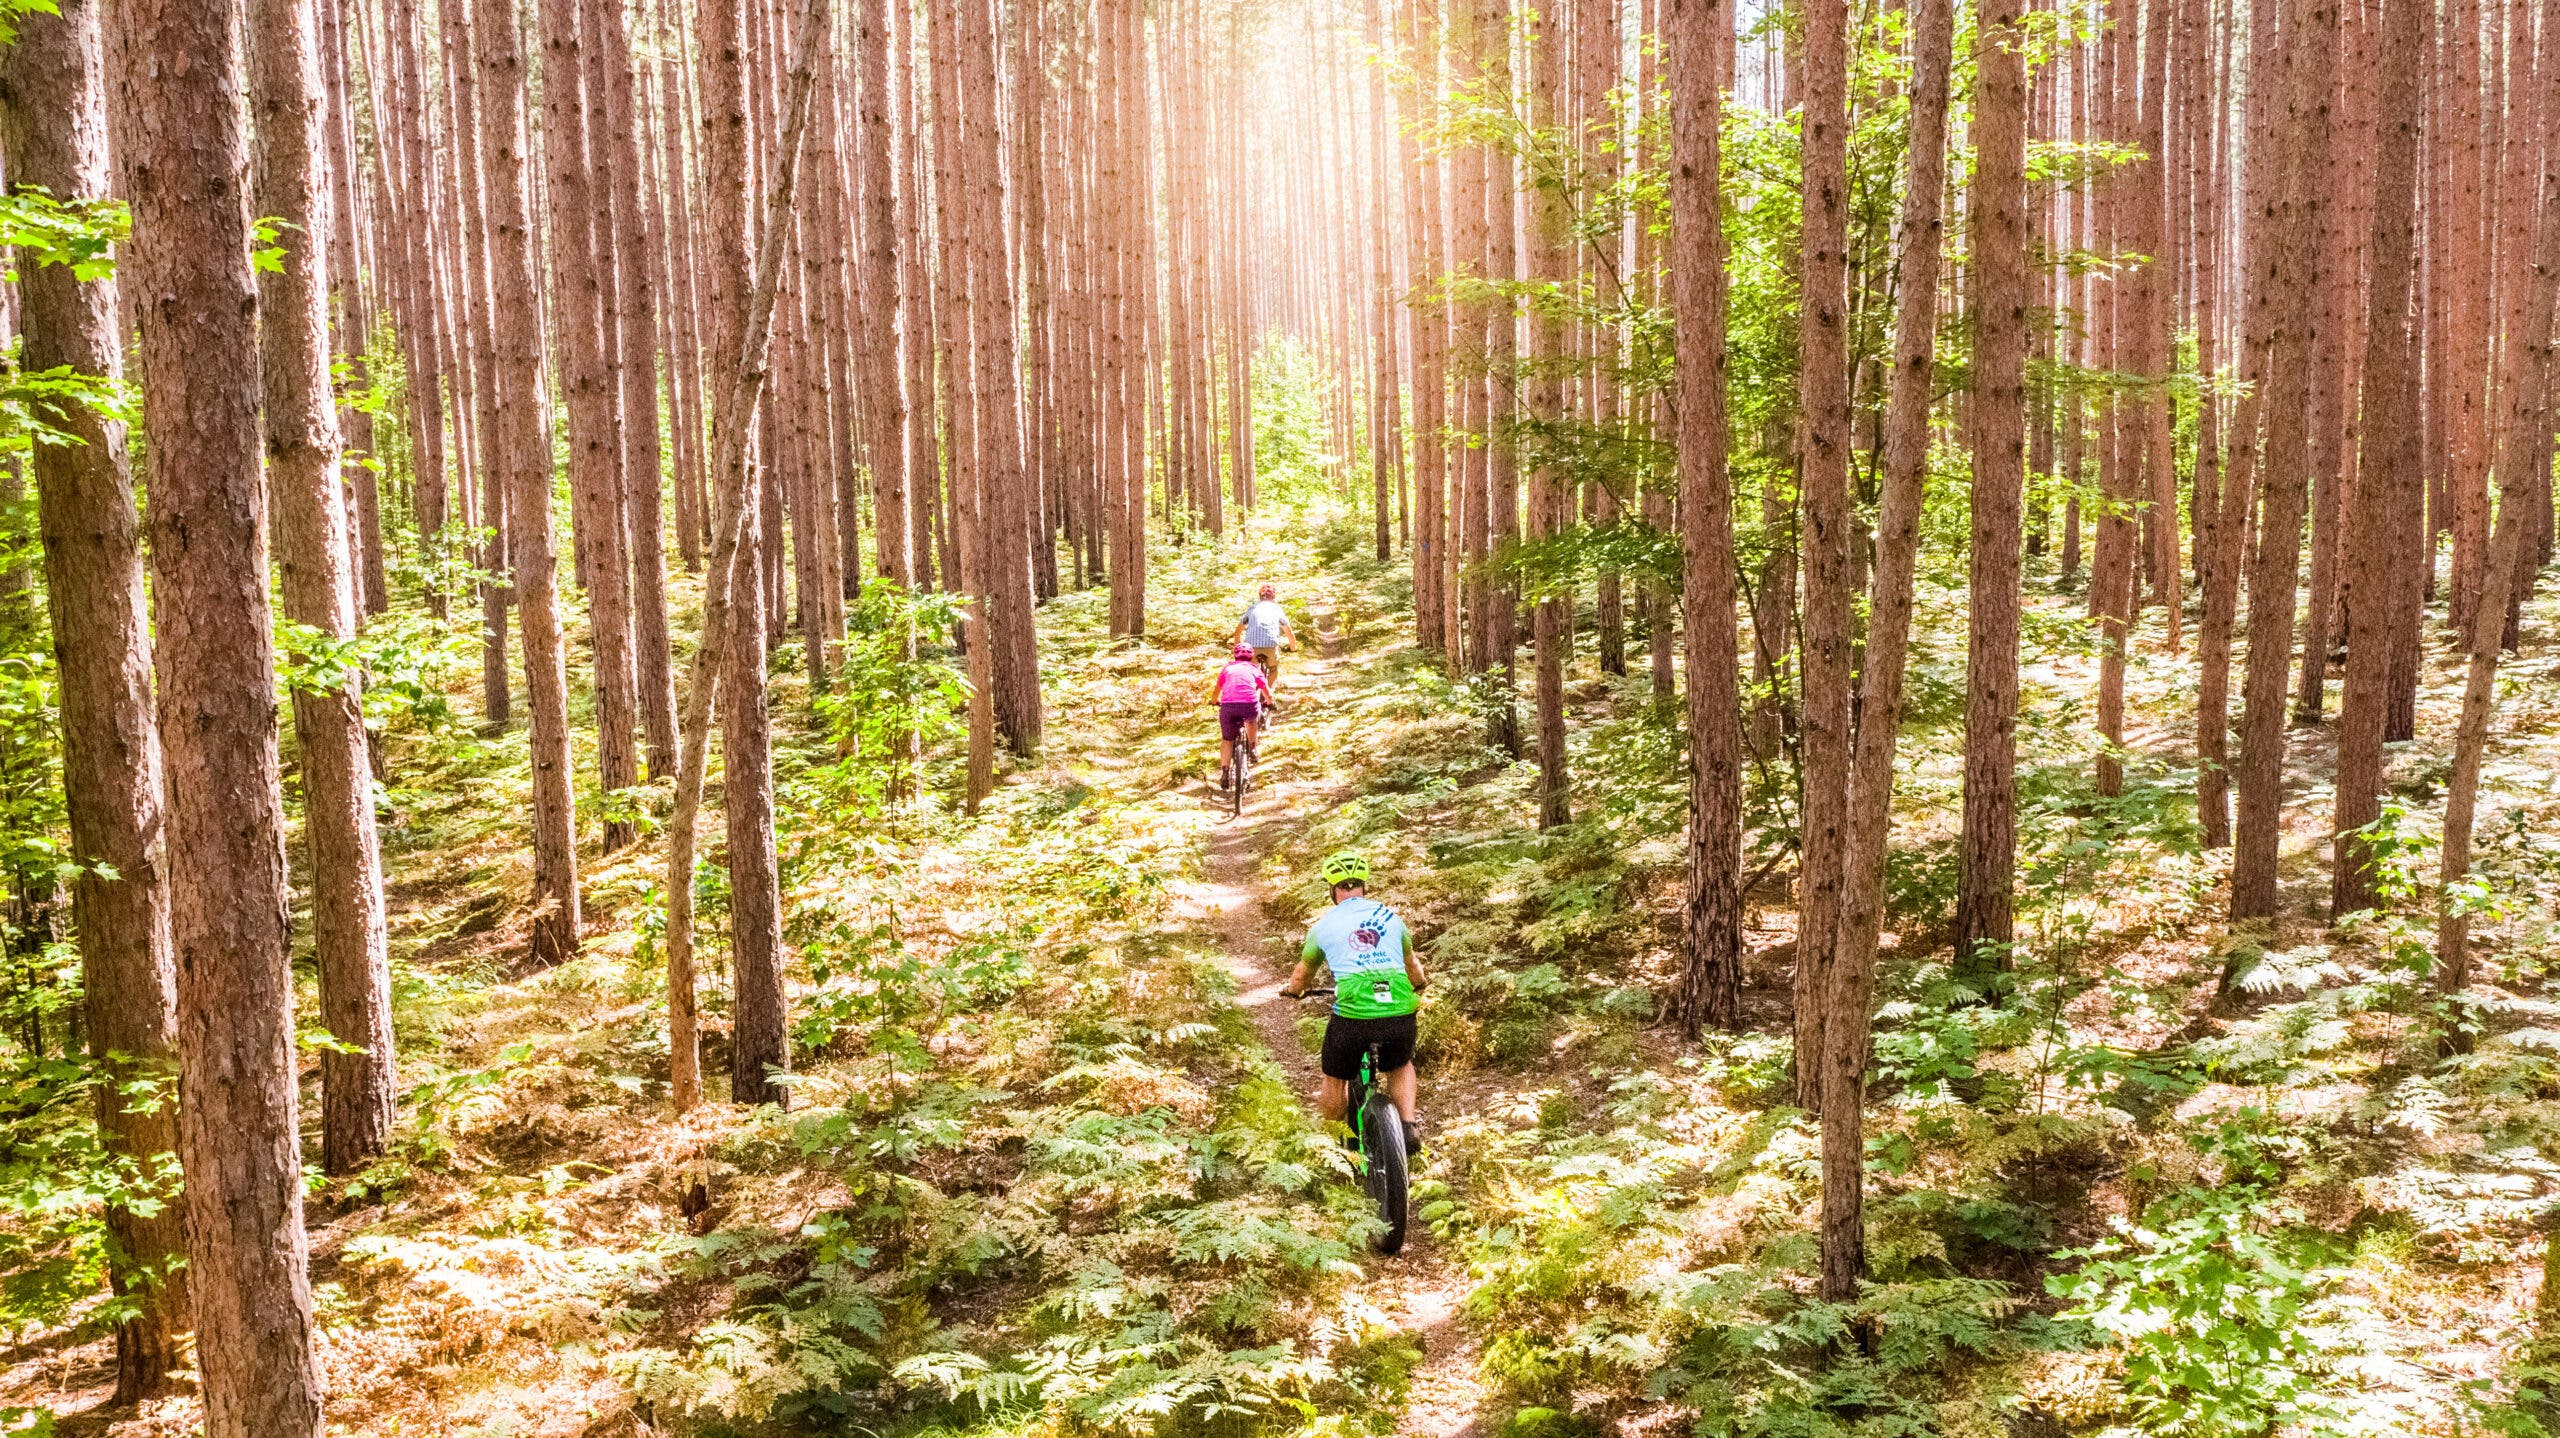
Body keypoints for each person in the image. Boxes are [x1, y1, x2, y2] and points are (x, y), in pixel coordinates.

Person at [1280, 851, 1429, 1158]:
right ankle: (1408, 1125)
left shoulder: (1323, 926)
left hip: (1354, 1015)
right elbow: (1412, 965)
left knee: (1335, 1077)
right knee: (1400, 1065)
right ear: (1363, 886)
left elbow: (1301, 974)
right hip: (1399, 1006)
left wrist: (1293, 992)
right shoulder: (1391, 917)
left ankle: (1331, 1146)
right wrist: (1418, 986)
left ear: (1333, 890)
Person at [1211, 643, 1277, 775]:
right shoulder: (1255, 669)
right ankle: (1252, 748)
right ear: (1252, 656)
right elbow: (1266, 691)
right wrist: (1270, 702)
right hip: (1249, 705)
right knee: (1251, 721)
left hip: (1228, 707)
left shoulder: (1227, 668)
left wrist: (1214, 701)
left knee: (1227, 740)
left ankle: (1224, 772)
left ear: (1235, 656)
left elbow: (1217, 690)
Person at [1230, 583, 1297, 681]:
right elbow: (1289, 632)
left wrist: (1238, 649)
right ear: (1273, 597)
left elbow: (1238, 632)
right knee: (1273, 669)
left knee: (1249, 670)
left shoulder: (1252, 608)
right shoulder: (1277, 609)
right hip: (1270, 645)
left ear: (1260, 596)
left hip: (1251, 647)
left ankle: (1250, 689)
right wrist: (1293, 648)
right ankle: (1268, 694)